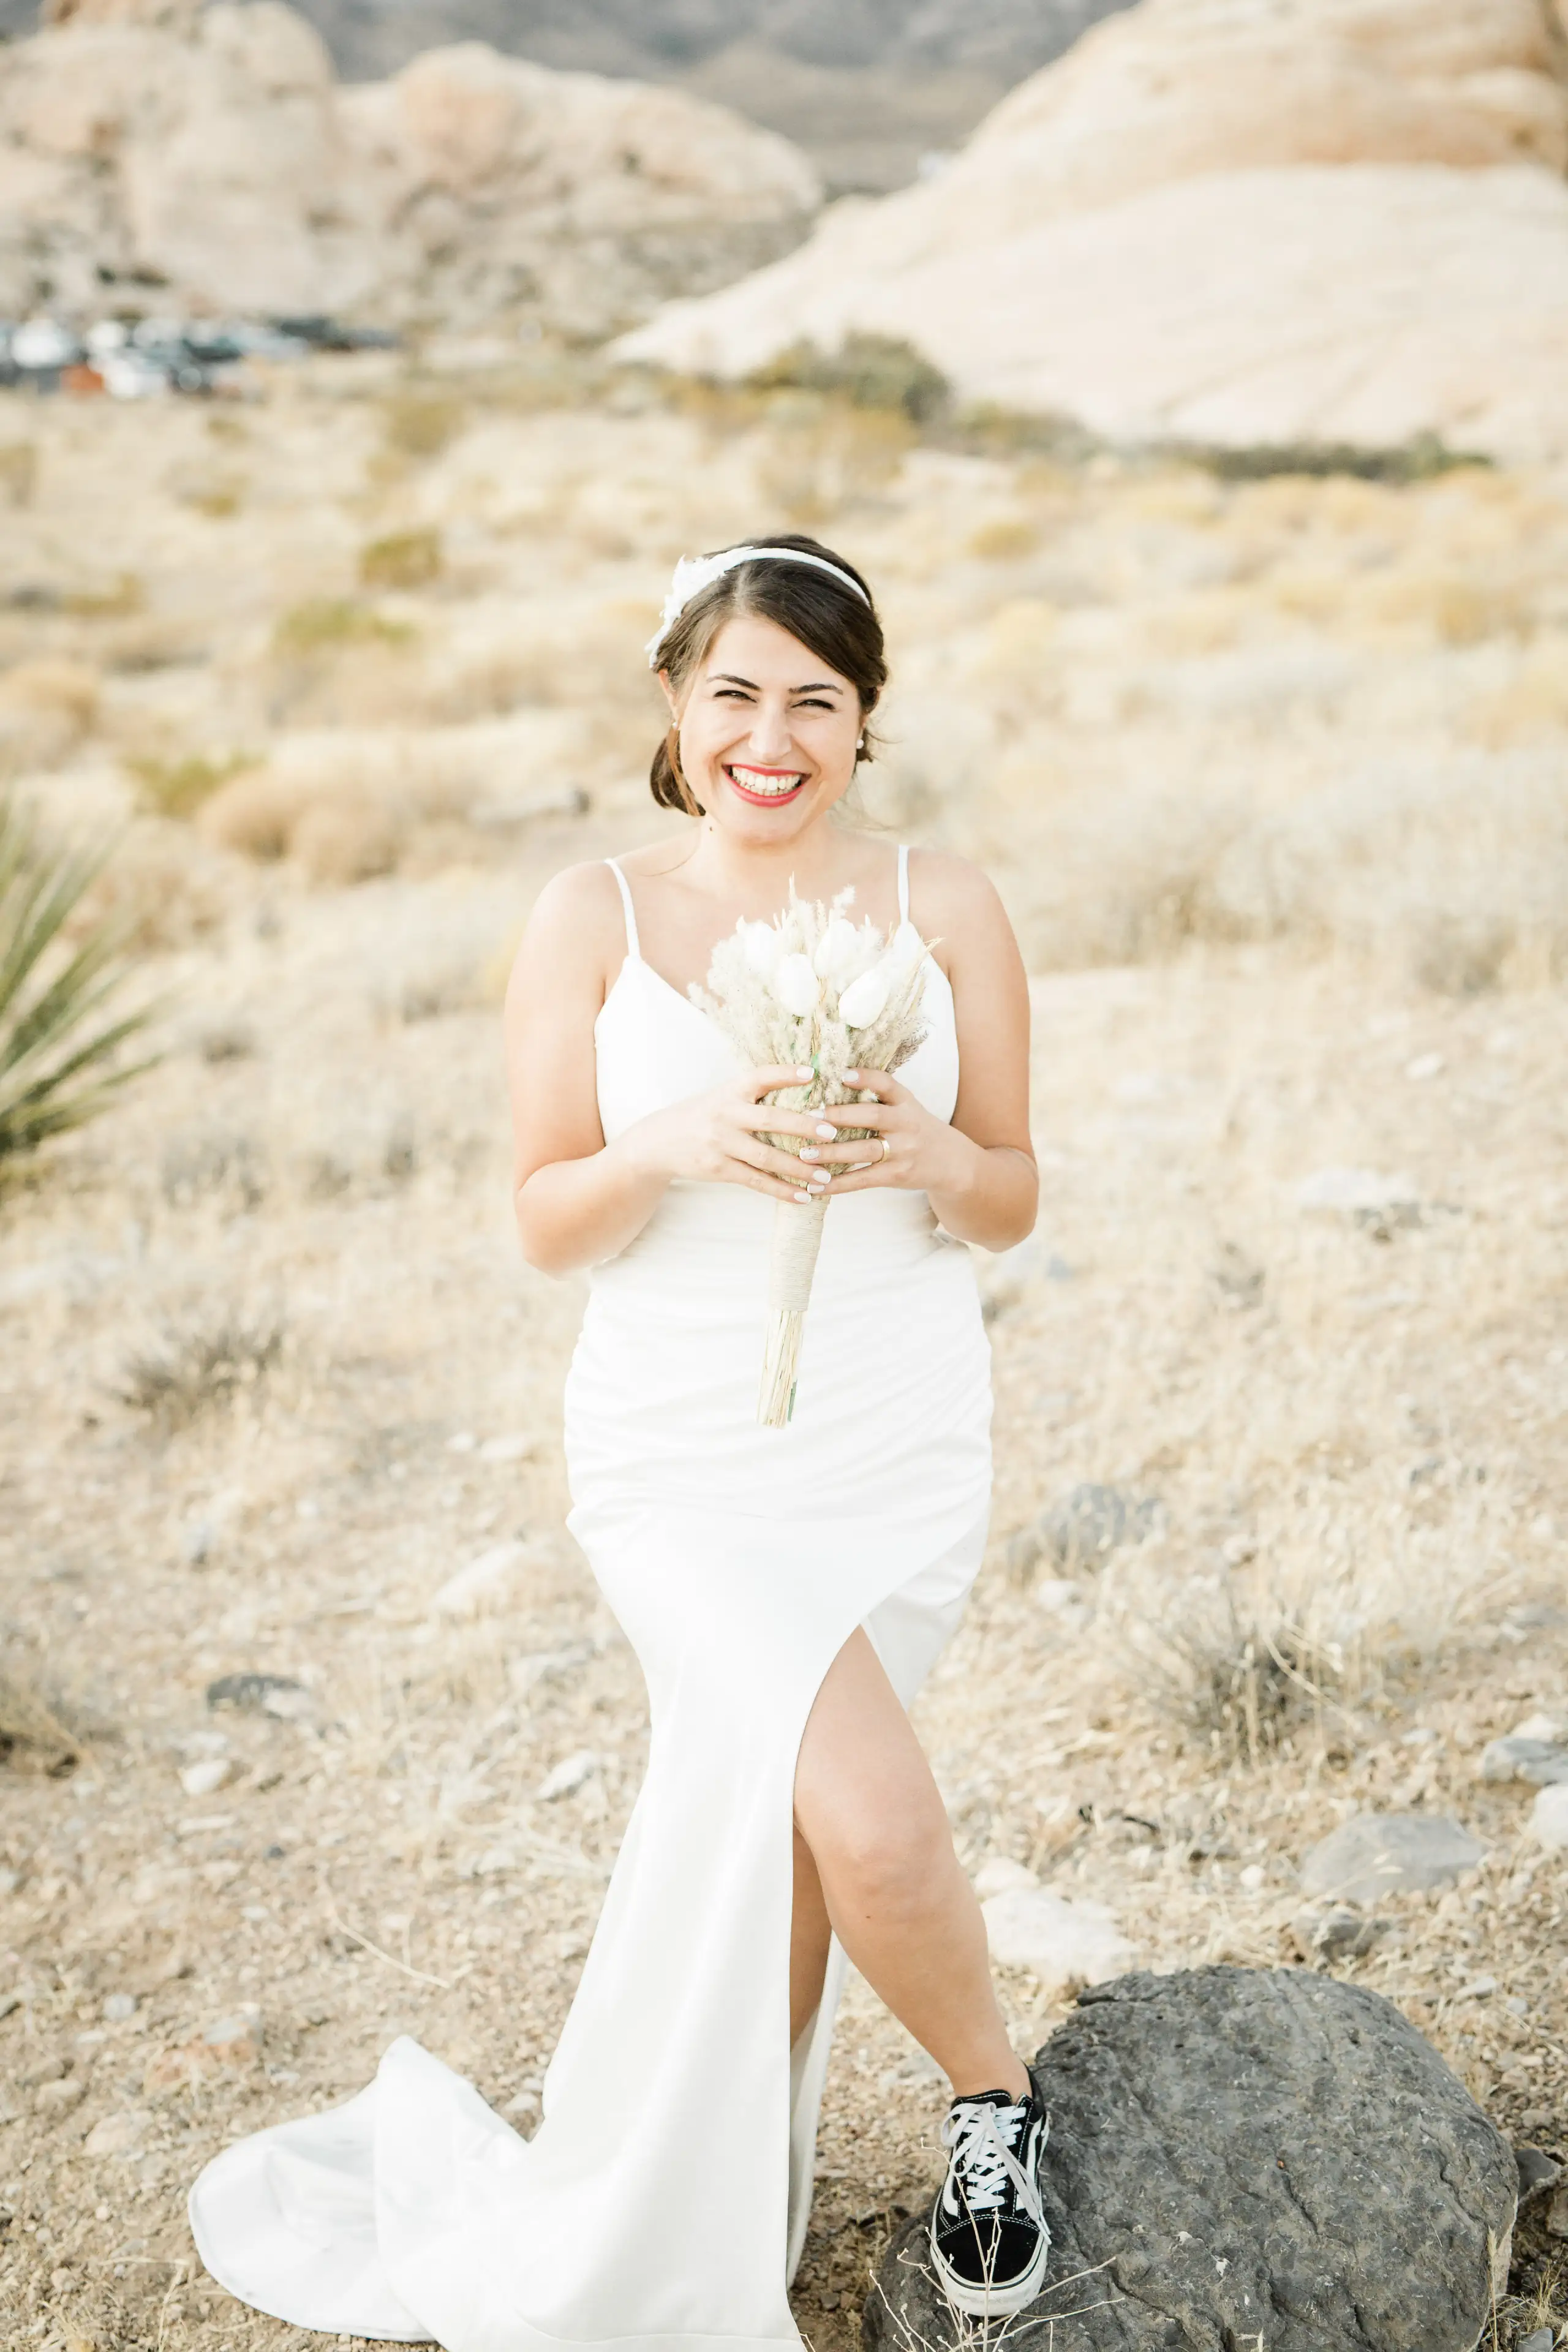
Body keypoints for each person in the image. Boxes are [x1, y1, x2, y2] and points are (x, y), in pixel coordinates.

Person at [187, 534, 1046, 2348]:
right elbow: (546, 1215)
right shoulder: (594, 914)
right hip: (678, 1459)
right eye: (736, 691)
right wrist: (675, 1147)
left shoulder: (947, 902)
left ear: (867, 719)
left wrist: (928, 1155)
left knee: (787, 1841)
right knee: (870, 1825)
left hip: (891, 1437)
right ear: (675, 701)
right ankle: (997, 2099)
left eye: (817, 698)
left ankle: (731, 2192)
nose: (773, 734)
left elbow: (1011, 1198)